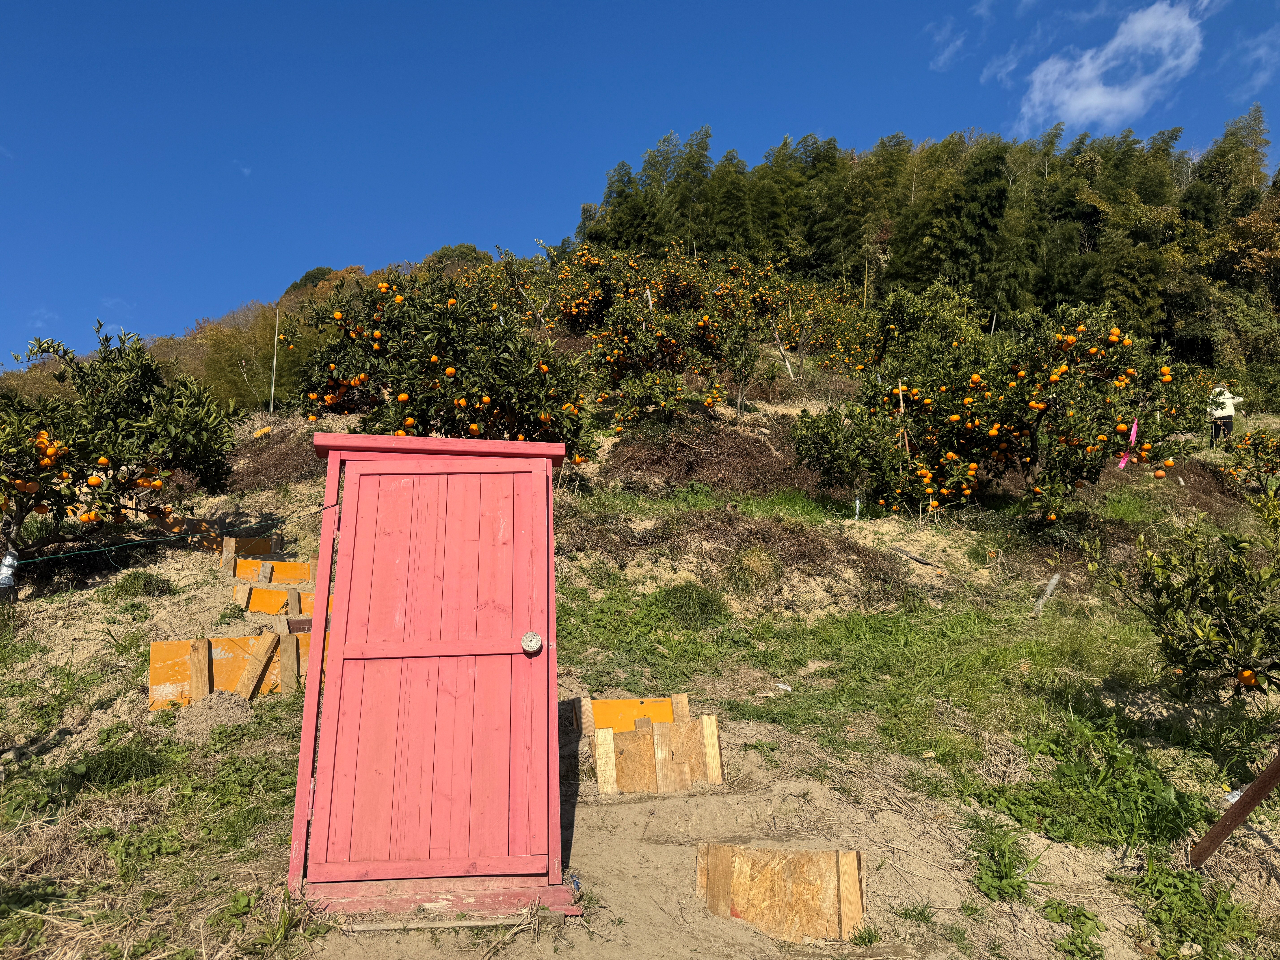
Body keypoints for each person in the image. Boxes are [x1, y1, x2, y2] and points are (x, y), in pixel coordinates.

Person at [1209, 383, 1244, 449]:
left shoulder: (1212, 397)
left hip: (1216, 417)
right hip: (1228, 416)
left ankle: (1213, 447)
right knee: (1228, 434)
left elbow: (1208, 408)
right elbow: (1240, 399)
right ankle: (1228, 448)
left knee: (1215, 435)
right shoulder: (1228, 396)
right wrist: (1228, 392)